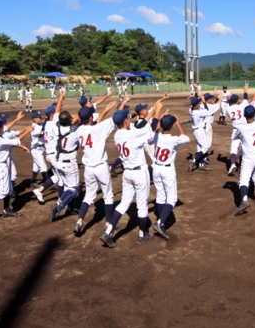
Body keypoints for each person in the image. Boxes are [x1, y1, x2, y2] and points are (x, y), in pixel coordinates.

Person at [100, 102, 164, 248]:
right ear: (126, 121)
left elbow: (141, 128)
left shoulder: (117, 135)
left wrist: (151, 113)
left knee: (124, 203)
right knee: (142, 204)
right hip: (139, 173)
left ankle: (108, 232)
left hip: (127, 173)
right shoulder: (133, 134)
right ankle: (142, 234)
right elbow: (153, 129)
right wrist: (157, 112)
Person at [72, 100, 117, 235]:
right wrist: (116, 107)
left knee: (88, 196)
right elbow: (115, 118)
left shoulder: (78, 131)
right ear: (91, 118)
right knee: (108, 196)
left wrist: (106, 109)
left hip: (88, 169)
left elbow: (95, 123)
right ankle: (108, 224)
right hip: (101, 167)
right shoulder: (98, 128)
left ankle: (79, 220)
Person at [151, 115, 190, 240]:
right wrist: (178, 124)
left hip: (156, 168)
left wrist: (159, 124)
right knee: (172, 199)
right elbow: (186, 138)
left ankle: (162, 219)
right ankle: (160, 223)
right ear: (172, 126)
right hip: (167, 170)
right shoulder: (174, 139)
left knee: (160, 195)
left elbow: (155, 132)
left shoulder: (155, 136)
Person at [232, 99, 255, 215]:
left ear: (244, 116)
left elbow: (235, 137)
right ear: (254, 114)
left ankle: (244, 201)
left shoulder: (241, 128)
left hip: (248, 157)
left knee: (244, 179)